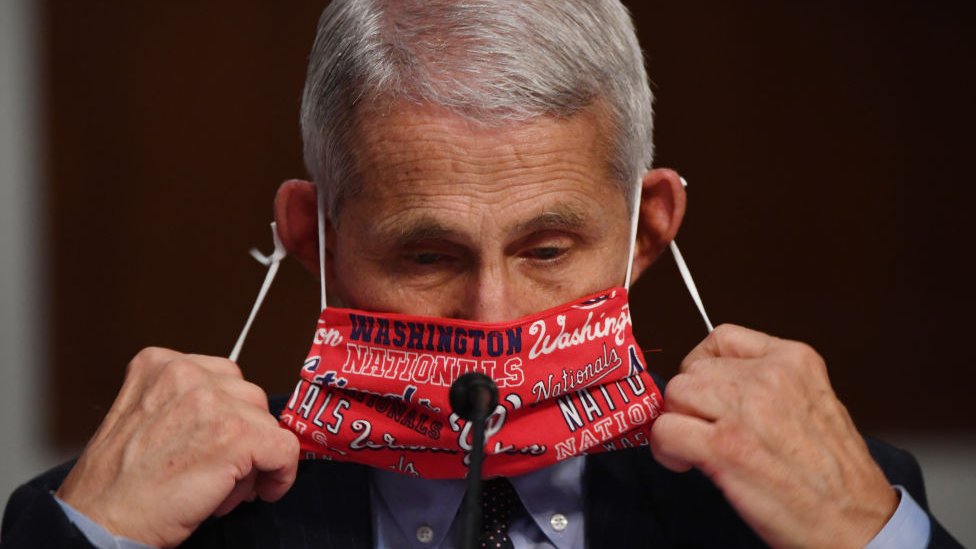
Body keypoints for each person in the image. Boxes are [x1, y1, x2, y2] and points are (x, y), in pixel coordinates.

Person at [0, 1, 962, 547]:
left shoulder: (830, 503)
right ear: (310, 235)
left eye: (548, 249)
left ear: (645, 232)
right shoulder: (148, 524)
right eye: (427, 255)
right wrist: (95, 539)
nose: (492, 322)